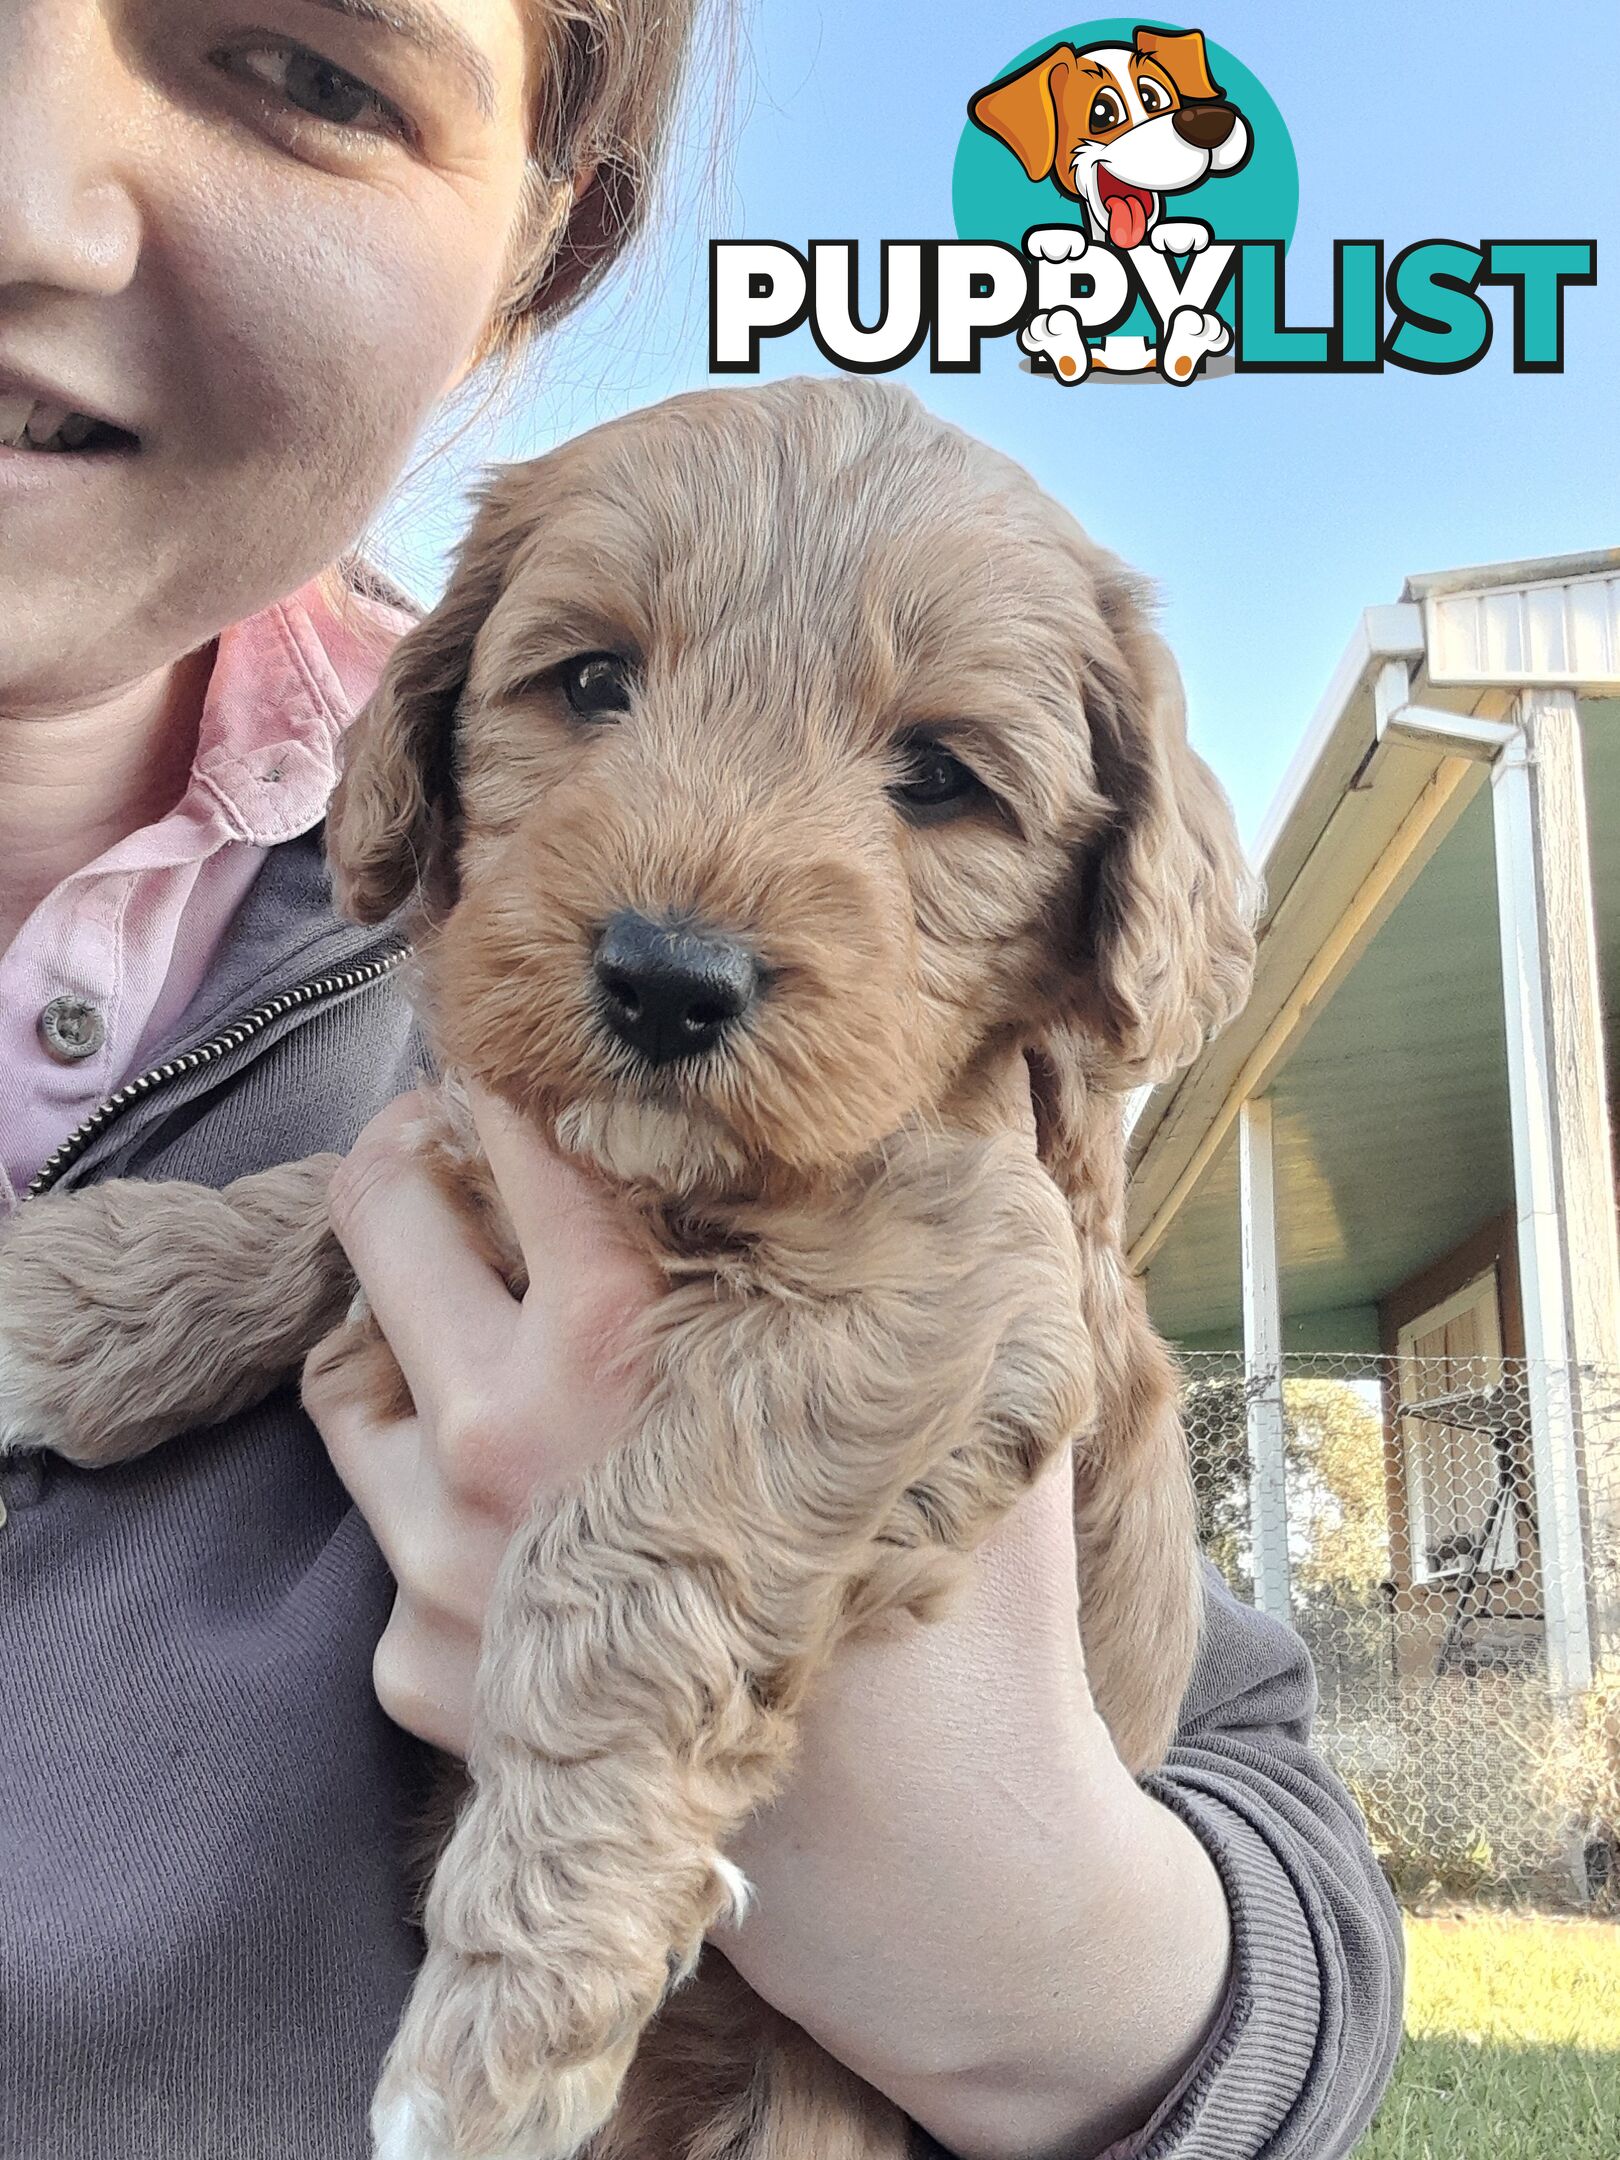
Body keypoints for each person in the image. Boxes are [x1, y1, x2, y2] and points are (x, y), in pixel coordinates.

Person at [0, 4, 1404, 2157]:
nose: (31, 204)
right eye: (595, 687)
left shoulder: (940, 1177)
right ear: (440, 741)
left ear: (540, 253)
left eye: (941, 780)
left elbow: (1269, 1873)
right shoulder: (436, 1009)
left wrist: (1032, 1949)